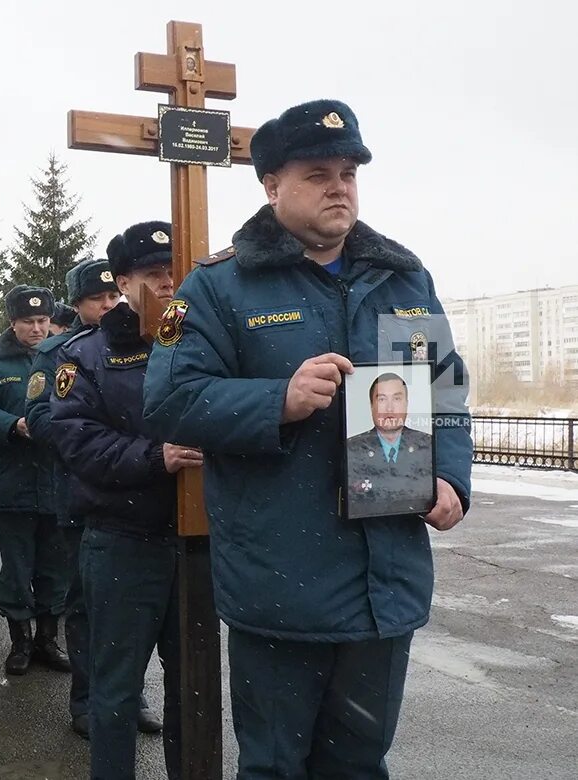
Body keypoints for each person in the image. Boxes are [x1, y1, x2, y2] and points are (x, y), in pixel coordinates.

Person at [143, 99, 473, 778]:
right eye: (318, 173)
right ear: (271, 186)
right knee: (274, 767)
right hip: (282, 589)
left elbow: (445, 398)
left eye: (349, 172)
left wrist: (450, 478)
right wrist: (279, 401)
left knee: (359, 765)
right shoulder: (217, 287)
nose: (339, 186)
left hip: (386, 587)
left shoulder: (404, 278)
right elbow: (169, 401)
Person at [50, 222, 191, 779]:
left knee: (195, 684)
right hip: (124, 541)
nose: (168, 284)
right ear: (125, 280)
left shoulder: (202, 337)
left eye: (175, 271)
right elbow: (76, 440)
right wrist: (157, 457)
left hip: (199, 541)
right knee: (116, 690)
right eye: (155, 274)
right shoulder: (86, 355)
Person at [25, 259, 161, 738]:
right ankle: (87, 698)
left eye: (112, 298)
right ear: (78, 304)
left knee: (132, 610)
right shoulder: (61, 354)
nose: (107, 306)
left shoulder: (146, 341)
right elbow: (43, 419)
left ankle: (131, 693)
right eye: (96, 299)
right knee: (85, 604)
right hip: (80, 494)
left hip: (134, 495)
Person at [0, 284, 69, 675]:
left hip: (56, 480)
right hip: (12, 481)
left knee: (55, 566)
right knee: (16, 567)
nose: (37, 328)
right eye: (28, 321)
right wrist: (14, 425)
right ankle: (21, 641)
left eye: (43, 320)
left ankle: (49, 639)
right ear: (12, 323)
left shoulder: (65, 357)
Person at [346, 372, 435, 517]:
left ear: (407, 403)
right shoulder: (352, 448)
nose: (389, 408)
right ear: (371, 405)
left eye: (397, 399)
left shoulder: (427, 445)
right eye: (382, 399)